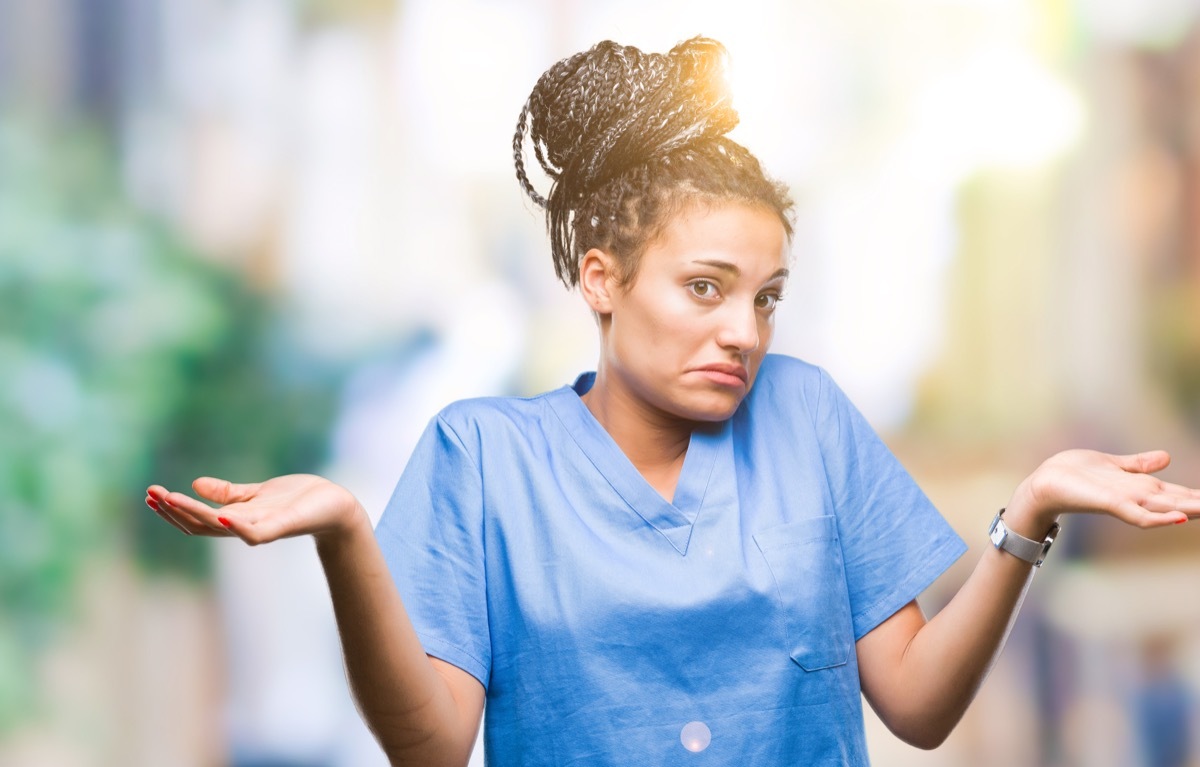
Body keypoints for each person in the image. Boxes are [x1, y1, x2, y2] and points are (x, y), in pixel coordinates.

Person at [145, 37, 1200, 766]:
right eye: (705, 287)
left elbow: (918, 707)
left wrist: (1028, 516)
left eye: (766, 296)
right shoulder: (483, 456)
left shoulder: (808, 418)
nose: (743, 329)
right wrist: (344, 535)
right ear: (601, 278)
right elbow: (430, 744)